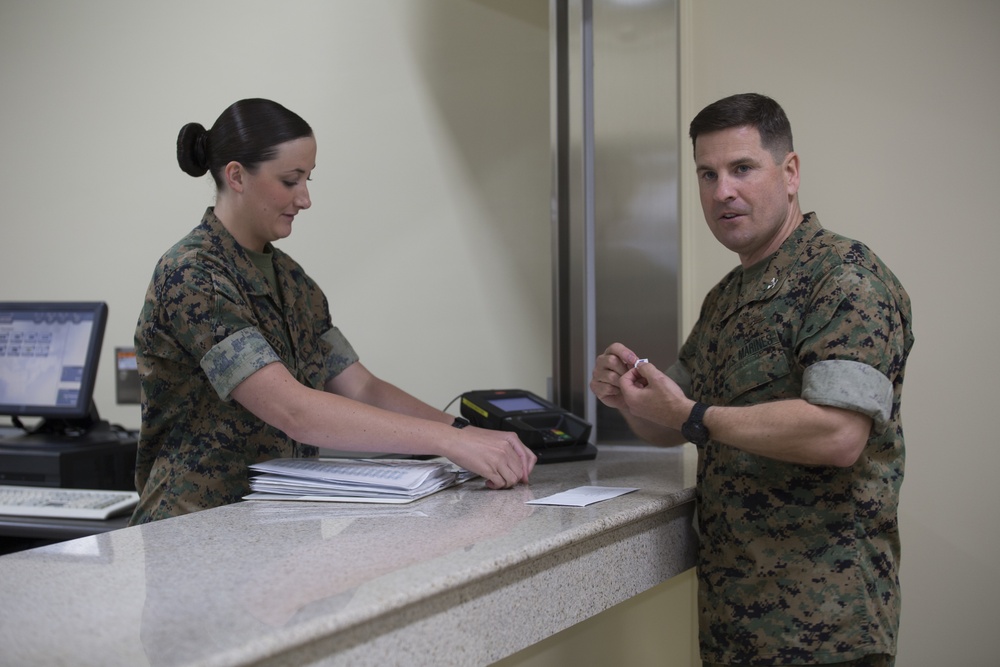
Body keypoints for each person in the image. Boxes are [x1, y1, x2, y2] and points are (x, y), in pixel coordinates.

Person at [590, 93, 913, 666]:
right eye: (707, 174)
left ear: (789, 173)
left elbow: (838, 436)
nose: (722, 192)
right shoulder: (727, 297)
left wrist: (690, 416)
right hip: (735, 622)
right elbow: (674, 421)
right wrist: (629, 398)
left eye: (742, 169)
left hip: (825, 628)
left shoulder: (844, 277)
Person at [130, 98, 536, 525]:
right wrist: (449, 443)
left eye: (308, 179)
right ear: (236, 176)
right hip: (193, 528)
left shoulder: (291, 280)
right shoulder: (194, 275)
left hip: (277, 525)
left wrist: (463, 433)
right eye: (290, 180)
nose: (304, 198)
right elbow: (294, 411)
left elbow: (361, 389)